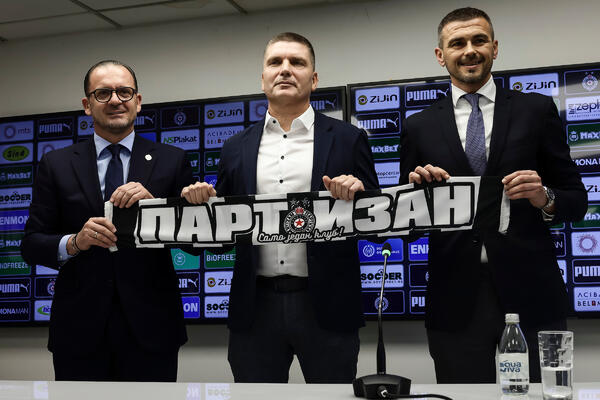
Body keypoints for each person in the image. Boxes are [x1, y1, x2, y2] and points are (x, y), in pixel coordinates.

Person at [399, 7, 586, 384]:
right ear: (441, 55)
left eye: (479, 40)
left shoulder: (536, 110)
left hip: (533, 292)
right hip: (454, 299)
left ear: (494, 48)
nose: (469, 50)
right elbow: (407, 227)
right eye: (458, 43)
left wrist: (544, 196)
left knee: (543, 394)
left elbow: (577, 201)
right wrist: (418, 200)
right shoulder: (418, 126)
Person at [21, 60, 201, 381]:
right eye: (103, 93)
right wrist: (75, 242)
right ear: (87, 105)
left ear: (138, 101)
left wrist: (157, 210)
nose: (115, 100)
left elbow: (196, 242)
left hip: (152, 328)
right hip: (78, 331)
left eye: (124, 92)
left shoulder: (172, 160)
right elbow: (31, 245)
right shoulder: (55, 164)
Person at [214, 32, 378, 383]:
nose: (285, 69)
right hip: (254, 308)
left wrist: (361, 197)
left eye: (297, 63)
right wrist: (199, 206)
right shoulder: (233, 147)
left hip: (327, 306)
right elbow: (220, 236)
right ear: (263, 79)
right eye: (275, 62)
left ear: (314, 79)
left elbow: (379, 225)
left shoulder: (349, 139)